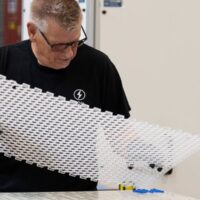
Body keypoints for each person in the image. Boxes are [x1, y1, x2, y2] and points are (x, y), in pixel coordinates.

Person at [0, 0, 131, 192]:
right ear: (32, 31)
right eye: (59, 46)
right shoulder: (4, 64)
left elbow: (119, 134)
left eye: (75, 42)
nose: (69, 54)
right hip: (13, 194)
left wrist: (141, 151)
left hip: (77, 195)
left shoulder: (97, 67)